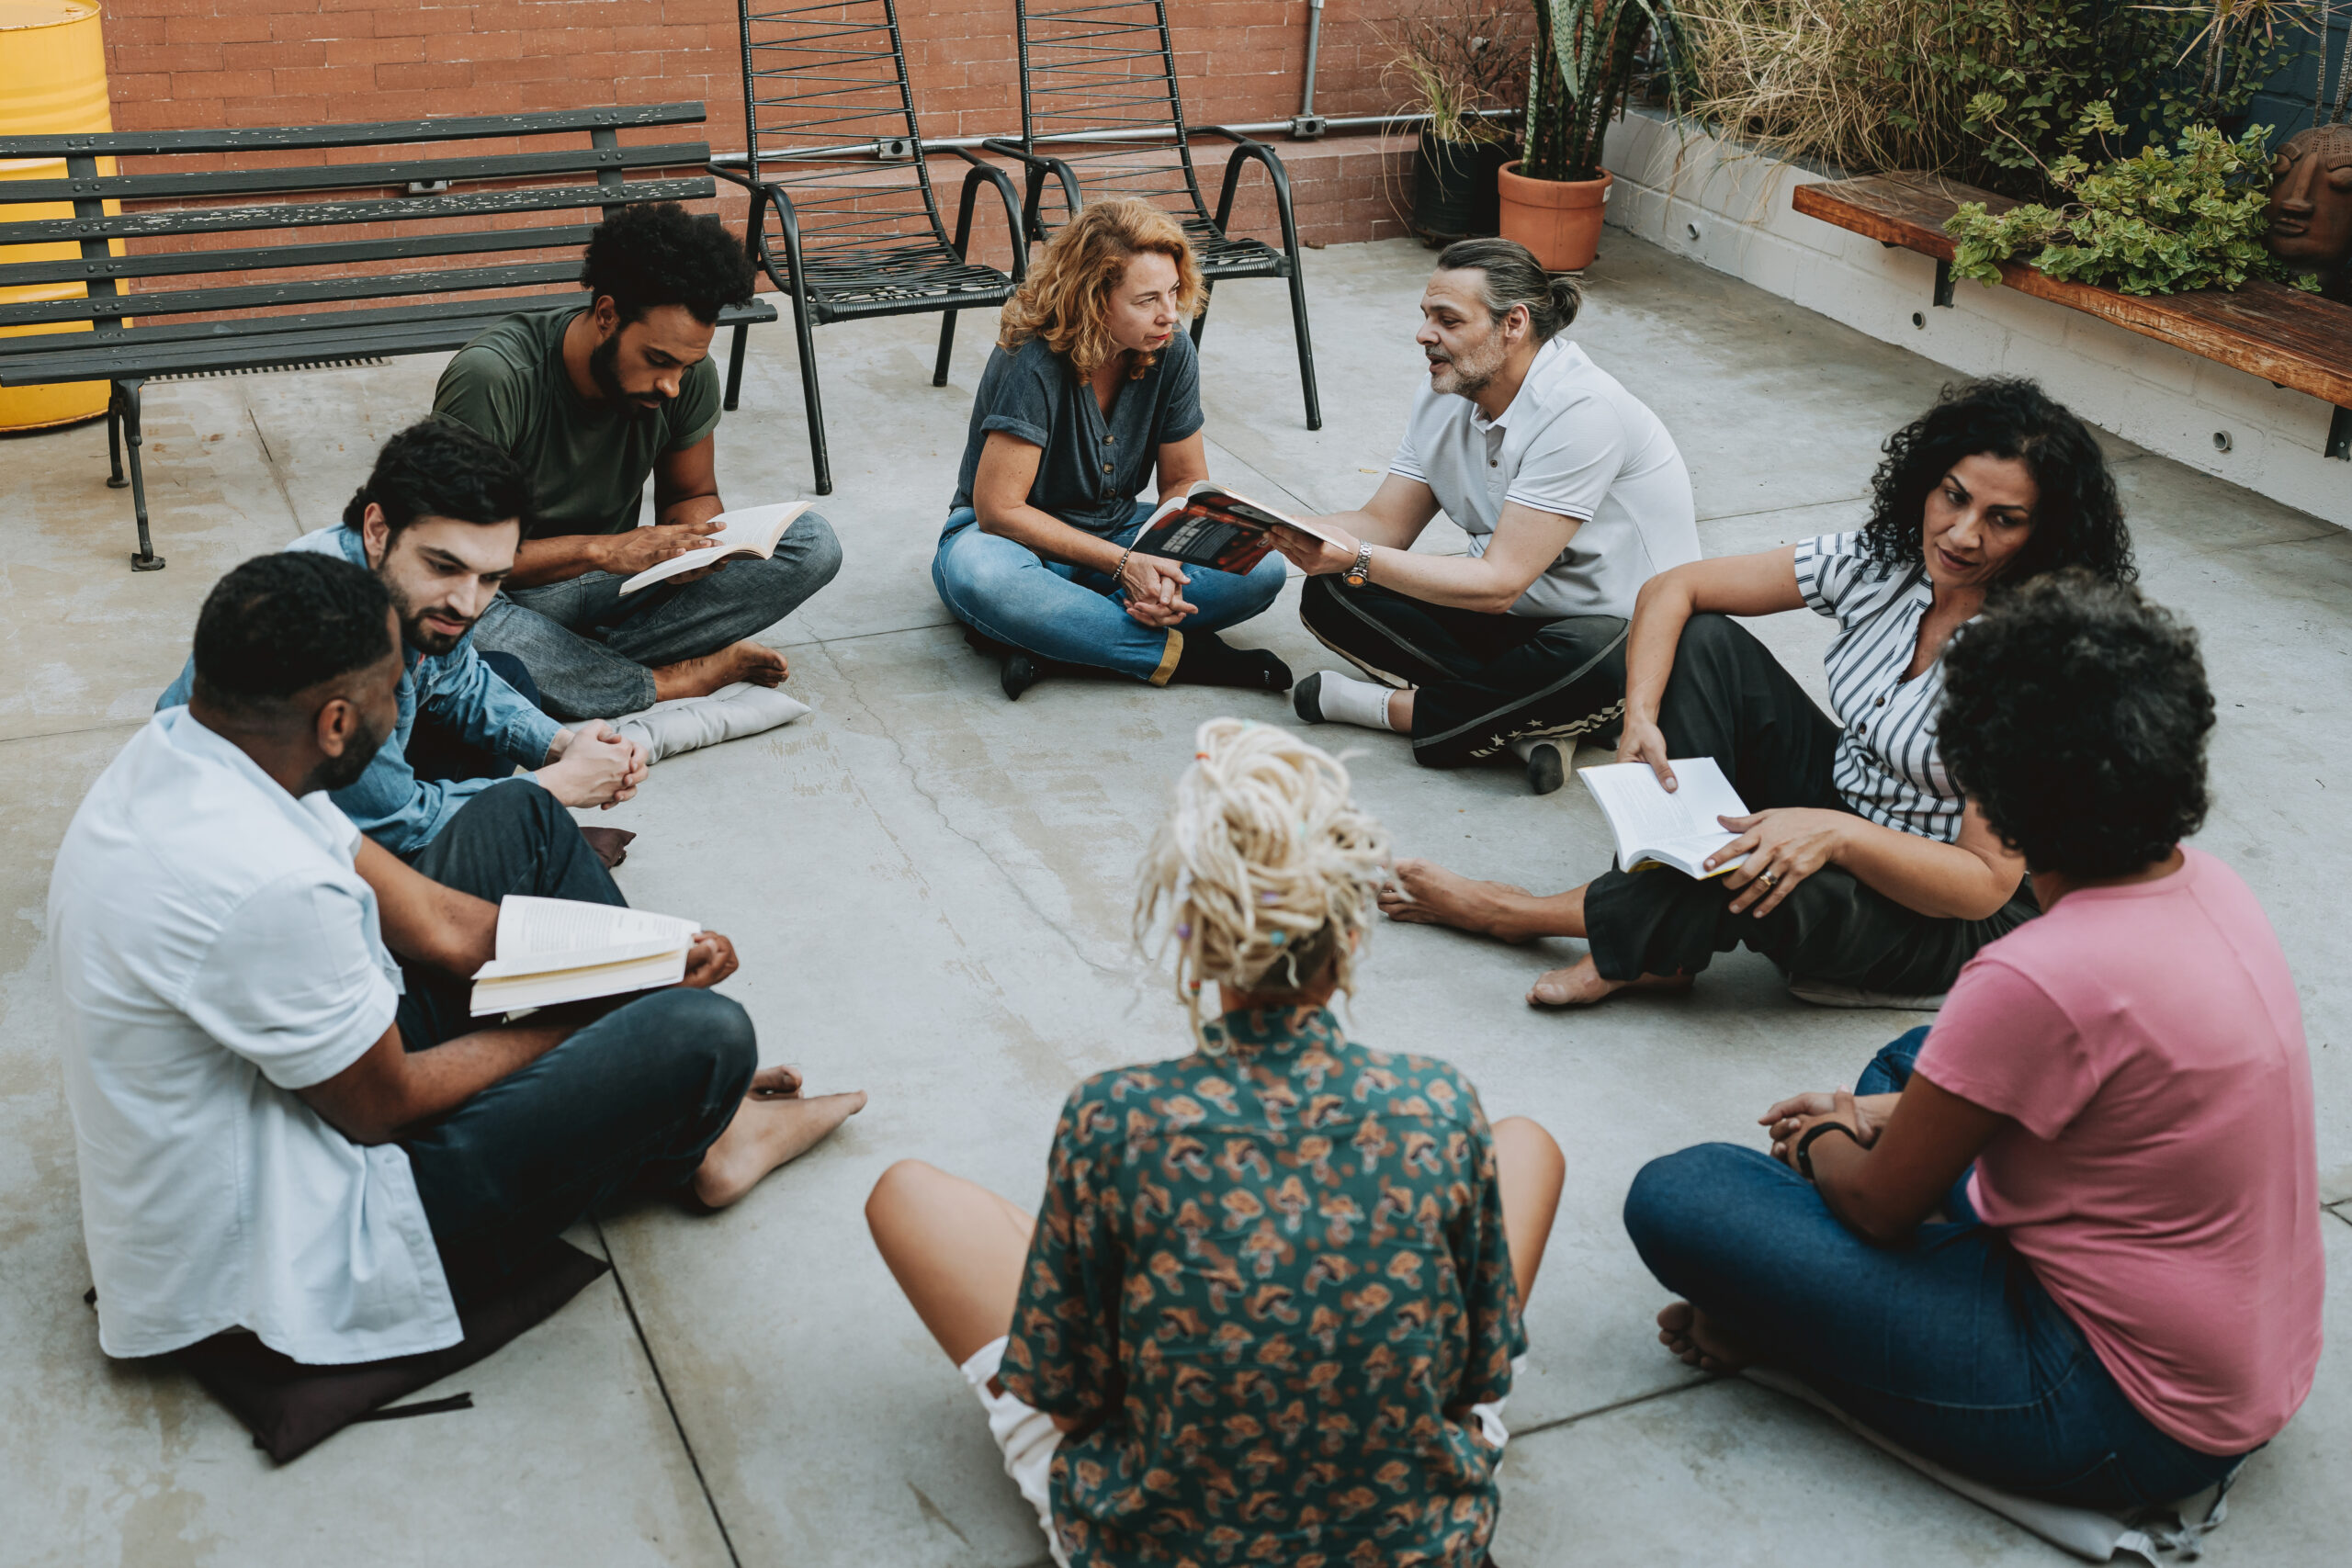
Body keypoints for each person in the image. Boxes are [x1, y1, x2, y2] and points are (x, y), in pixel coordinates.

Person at [53, 553, 865, 1365]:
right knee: (704, 1032)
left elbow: (438, 922)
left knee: (523, 816)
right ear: (336, 723)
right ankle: (706, 1130)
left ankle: (699, 1121)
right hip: (308, 1235)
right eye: (391, 690)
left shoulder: (200, 748)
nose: (405, 703)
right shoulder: (273, 890)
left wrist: (636, 959)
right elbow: (386, 1105)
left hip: (293, 1098)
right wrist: (609, 1012)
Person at [1622, 573, 2323, 1510]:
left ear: (1991, 785)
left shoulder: (2037, 972)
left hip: (2118, 1413)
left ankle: (1788, 1326)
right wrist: (1883, 1113)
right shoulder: (2210, 883)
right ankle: (1816, 1287)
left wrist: (1825, 1135)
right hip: (2239, 1354)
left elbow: (1874, 1208)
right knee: (1916, 1059)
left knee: (1684, 1193)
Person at [865, 719, 1566, 1567]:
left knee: (908, 1194)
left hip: (1162, 1543)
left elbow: (1068, 1402)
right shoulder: (1436, 1105)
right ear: (1348, 940)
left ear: (1194, 943)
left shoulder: (1113, 1120)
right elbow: (1476, 1380)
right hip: (1415, 1543)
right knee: (1526, 1144)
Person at [1382, 378, 2132, 1008]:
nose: (1962, 535)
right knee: (1706, 641)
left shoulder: (2038, 658)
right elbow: (1677, 587)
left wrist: (1833, 835)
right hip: (1848, 792)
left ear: (2047, 534)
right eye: (1953, 497)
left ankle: (1520, 913)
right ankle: (1662, 941)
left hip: (1939, 908)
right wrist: (1638, 715)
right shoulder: (1884, 562)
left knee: (1748, 861)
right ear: (1929, 481)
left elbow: (1982, 883)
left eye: (2003, 520)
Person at [1279, 237, 1699, 795]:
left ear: (1513, 324)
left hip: (1613, 631)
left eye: (1448, 320)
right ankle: (1528, 723)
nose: (1425, 335)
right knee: (1334, 589)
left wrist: (1357, 556)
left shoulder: (1581, 412)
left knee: (1597, 660)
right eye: (1427, 317)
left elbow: (1499, 583)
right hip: (1510, 621)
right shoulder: (1443, 394)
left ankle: (1389, 709)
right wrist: (1270, 526)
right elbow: (1386, 524)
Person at [156, 420, 646, 861]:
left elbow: (461, 679)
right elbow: (393, 824)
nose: (468, 602)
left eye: (489, 577)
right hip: (248, 838)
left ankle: (498, 838)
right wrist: (556, 787)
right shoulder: (321, 634)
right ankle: (505, 843)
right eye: (443, 566)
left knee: (505, 674)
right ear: (377, 528)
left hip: (336, 775)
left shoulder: (406, 578)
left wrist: (563, 746)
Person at [435, 200, 842, 722]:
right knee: (457, 619)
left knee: (810, 544)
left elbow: (690, 494)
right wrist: (604, 550)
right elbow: (450, 557)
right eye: (657, 360)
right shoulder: (493, 379)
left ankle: (571, 671)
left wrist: (696, 550)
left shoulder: (686, 377)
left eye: (686, 364)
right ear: (607, 315)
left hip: (618, 589)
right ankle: (666, 678)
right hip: (508, 590)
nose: (672, 384)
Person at [932, 198, 1292, 701]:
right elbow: (999, 512)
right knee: (985, 579)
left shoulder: (1170, 347)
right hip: (1012, 543)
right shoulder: (1031, 357)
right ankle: (1189, 656)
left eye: (1172, 291)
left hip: (1121, 528)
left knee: (1263, 565)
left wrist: (1160, 571)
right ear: (1094, 299)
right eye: (1146, 300)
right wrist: (1126, 568)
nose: (1170, 313)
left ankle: (1054, 637)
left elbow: (1184, 482)